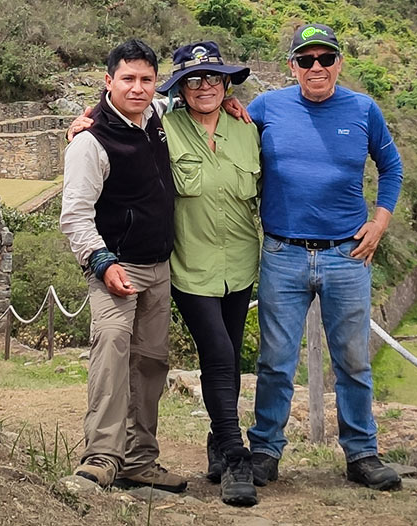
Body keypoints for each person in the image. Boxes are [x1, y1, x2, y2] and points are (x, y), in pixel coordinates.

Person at [246, 23, 405, 491]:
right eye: (306, 59)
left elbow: (391, 167)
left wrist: (380, 223)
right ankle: (265, 450)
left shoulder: (362, 109)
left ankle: (362, 453)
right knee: (275, 360)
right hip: (283, 252)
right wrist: (97, 112)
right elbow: (209, 122)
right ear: (291, 65)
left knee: (353, 360)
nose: (317, 68)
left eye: (325, 58)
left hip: (347, 254)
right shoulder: (266, 108)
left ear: (339, 62)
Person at [59, 39, 186, 493]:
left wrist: (228, 100)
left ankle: (139, 460)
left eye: (146, 79)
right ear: (108, 81)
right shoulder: (90, 141)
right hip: (116, 267)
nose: (137, 88)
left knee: (151, 363)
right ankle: (100, 457)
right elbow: (74, 213)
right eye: (127, 79)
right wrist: (101, 261)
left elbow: (184, 97)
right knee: (111, 354)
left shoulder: (156, 116)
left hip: (159, 265)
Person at [156, 42, 261, 507]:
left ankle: (217, 444)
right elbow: (118, 116)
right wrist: (84, 121)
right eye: (194, 79)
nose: (205, 86)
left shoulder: (248, 129)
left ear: (227, 84)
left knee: (231, 355)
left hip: (240, 263)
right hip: (190, 265)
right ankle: (237, 459)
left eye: (214, 78)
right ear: (180, 87)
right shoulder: (162, 129)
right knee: (217, 352)